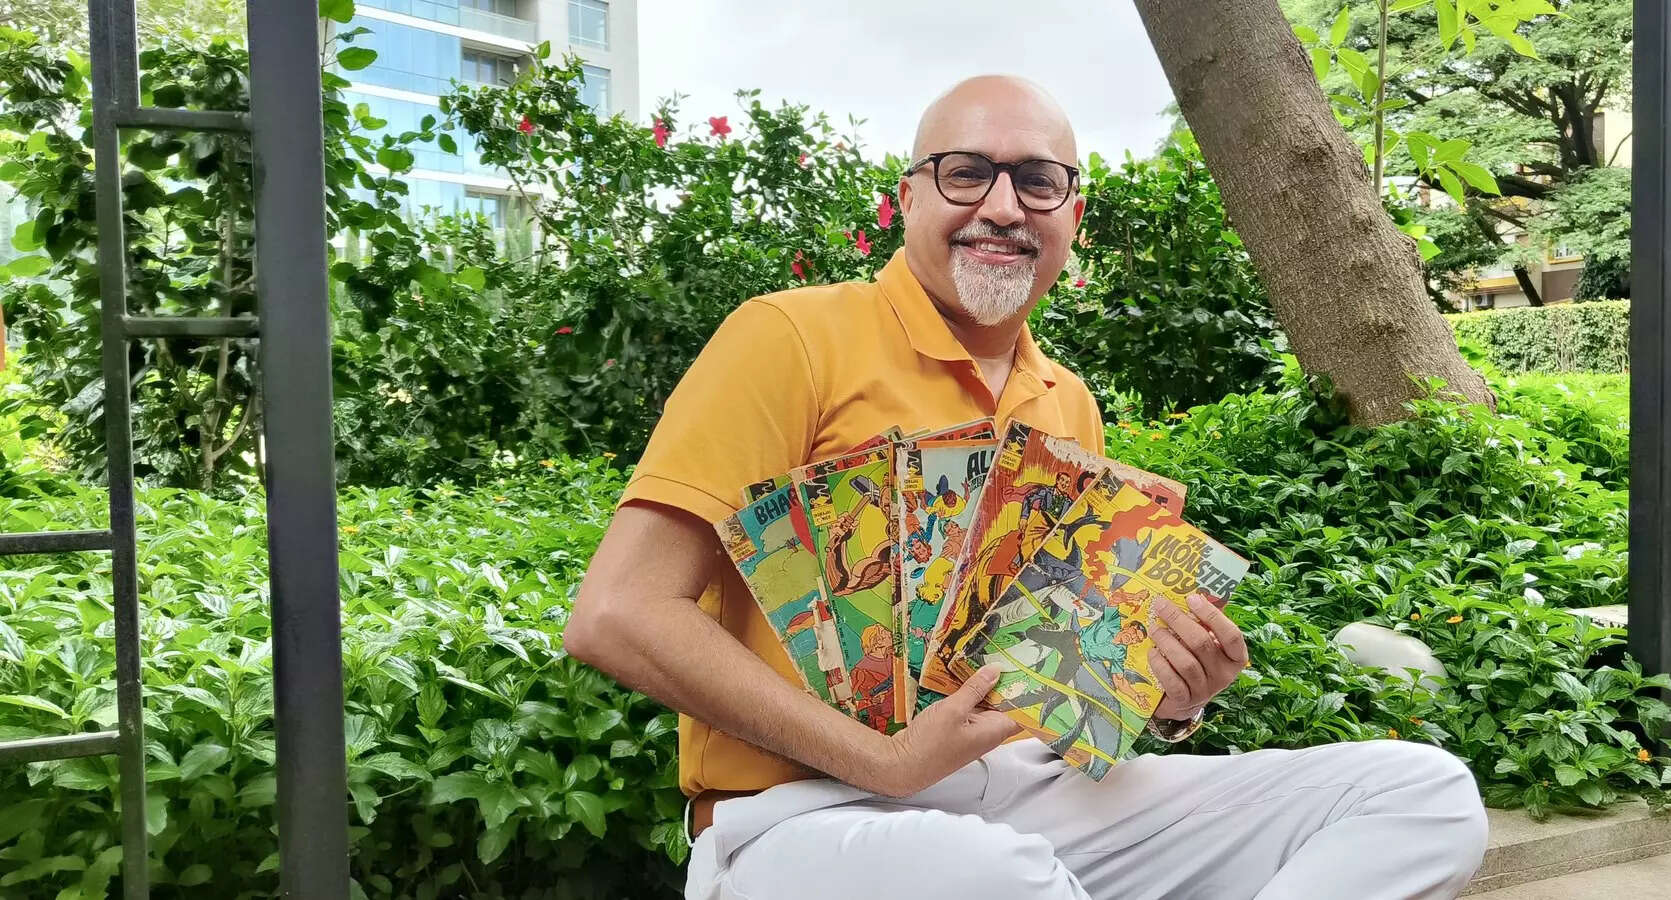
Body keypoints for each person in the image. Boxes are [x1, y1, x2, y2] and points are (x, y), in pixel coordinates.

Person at [563, 74, 1488, 900]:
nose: (1002, 205)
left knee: (1422, 796)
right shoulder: (789, 336)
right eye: (966, 172)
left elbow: (1054, 676)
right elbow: (617, 613)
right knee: (1001, 879)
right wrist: (884, 762)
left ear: (1072, 215)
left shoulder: (1066, 402)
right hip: (803, 815)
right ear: (907, 197)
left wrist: (1168, 700)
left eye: (1037, 180)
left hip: (1032, 796)